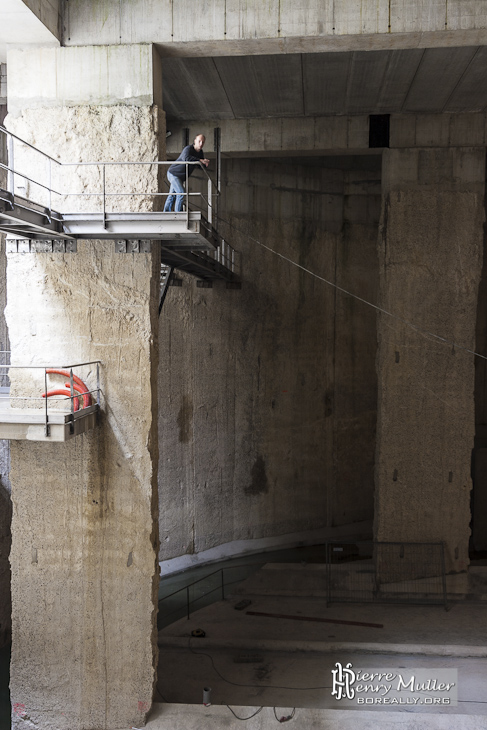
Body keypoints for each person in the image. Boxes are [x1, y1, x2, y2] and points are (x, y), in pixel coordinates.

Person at [163, 134, 209, 212]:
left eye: (203, 142)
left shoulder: (200, 153)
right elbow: (186, 158)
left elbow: (199, 166)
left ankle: (166, 213)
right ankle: (178, 214)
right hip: (173, 173)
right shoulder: (188, 149)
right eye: (199, 141)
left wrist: (205, 163)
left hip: (180, 177)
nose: (201, 144)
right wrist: (200, 160)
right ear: (195, 141)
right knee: (181, 192)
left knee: (172, 195)